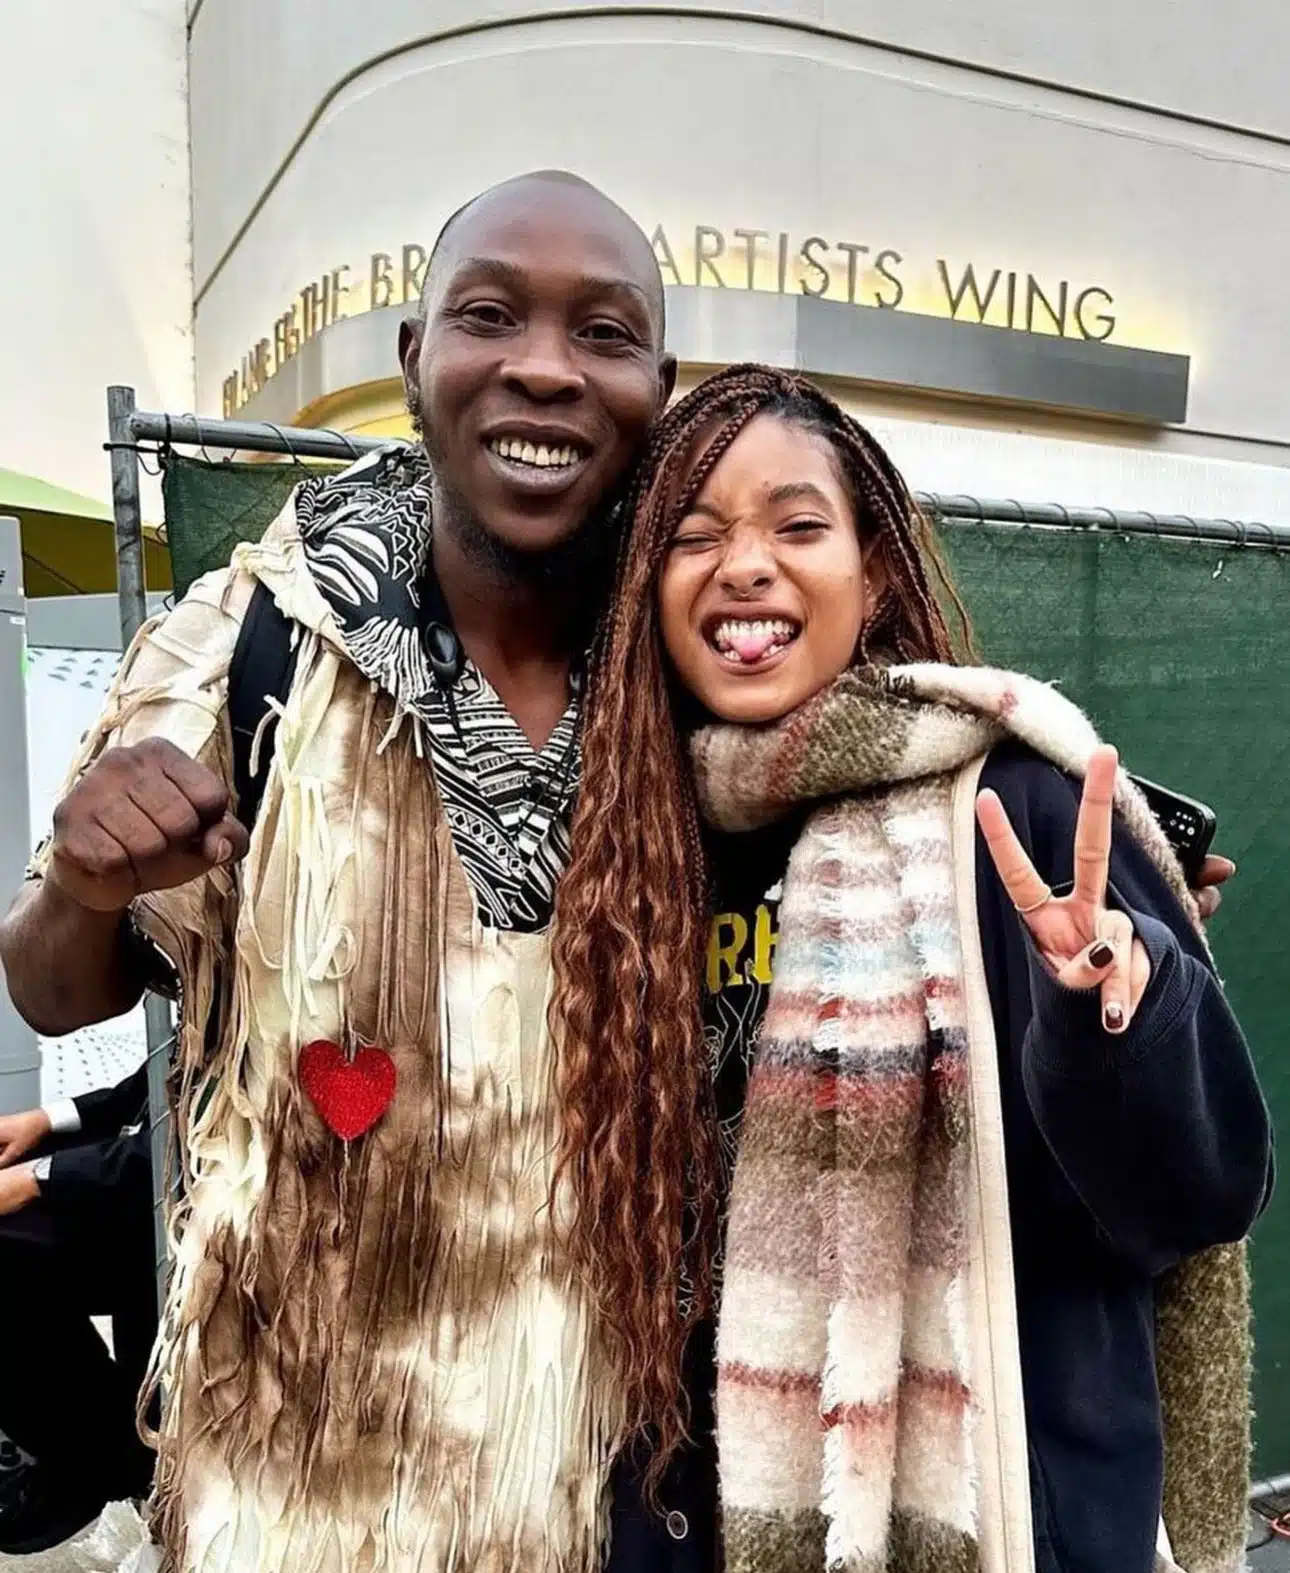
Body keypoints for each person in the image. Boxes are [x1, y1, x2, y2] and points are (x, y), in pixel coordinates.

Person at [0, 170, 698, 1573]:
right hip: (298, 1487)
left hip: (622, 1489)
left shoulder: (699, 660)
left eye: (604, 332)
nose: (544, 367)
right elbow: (54, 990)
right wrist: (83, 884)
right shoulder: (252, 639)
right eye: (489, 315)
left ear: (658, 387)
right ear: (415, 359)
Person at [553, 364, 1272, 1573]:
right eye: (695, 536)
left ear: (875, 569)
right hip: (693, 1514)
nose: (745, 566)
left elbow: (1197, 1199)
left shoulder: (1013, 807)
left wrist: (1114, 1015)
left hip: (994, 1517)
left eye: (797, 526)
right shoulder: (627, 850)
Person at [0, 1064, 156, 1554]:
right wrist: (46, 1120)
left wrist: (37, 1178)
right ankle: (90, 1443)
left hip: (196, 1205)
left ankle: (101, 1457)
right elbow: (158, 1084)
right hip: (143, 1170)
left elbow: (195, 1147)